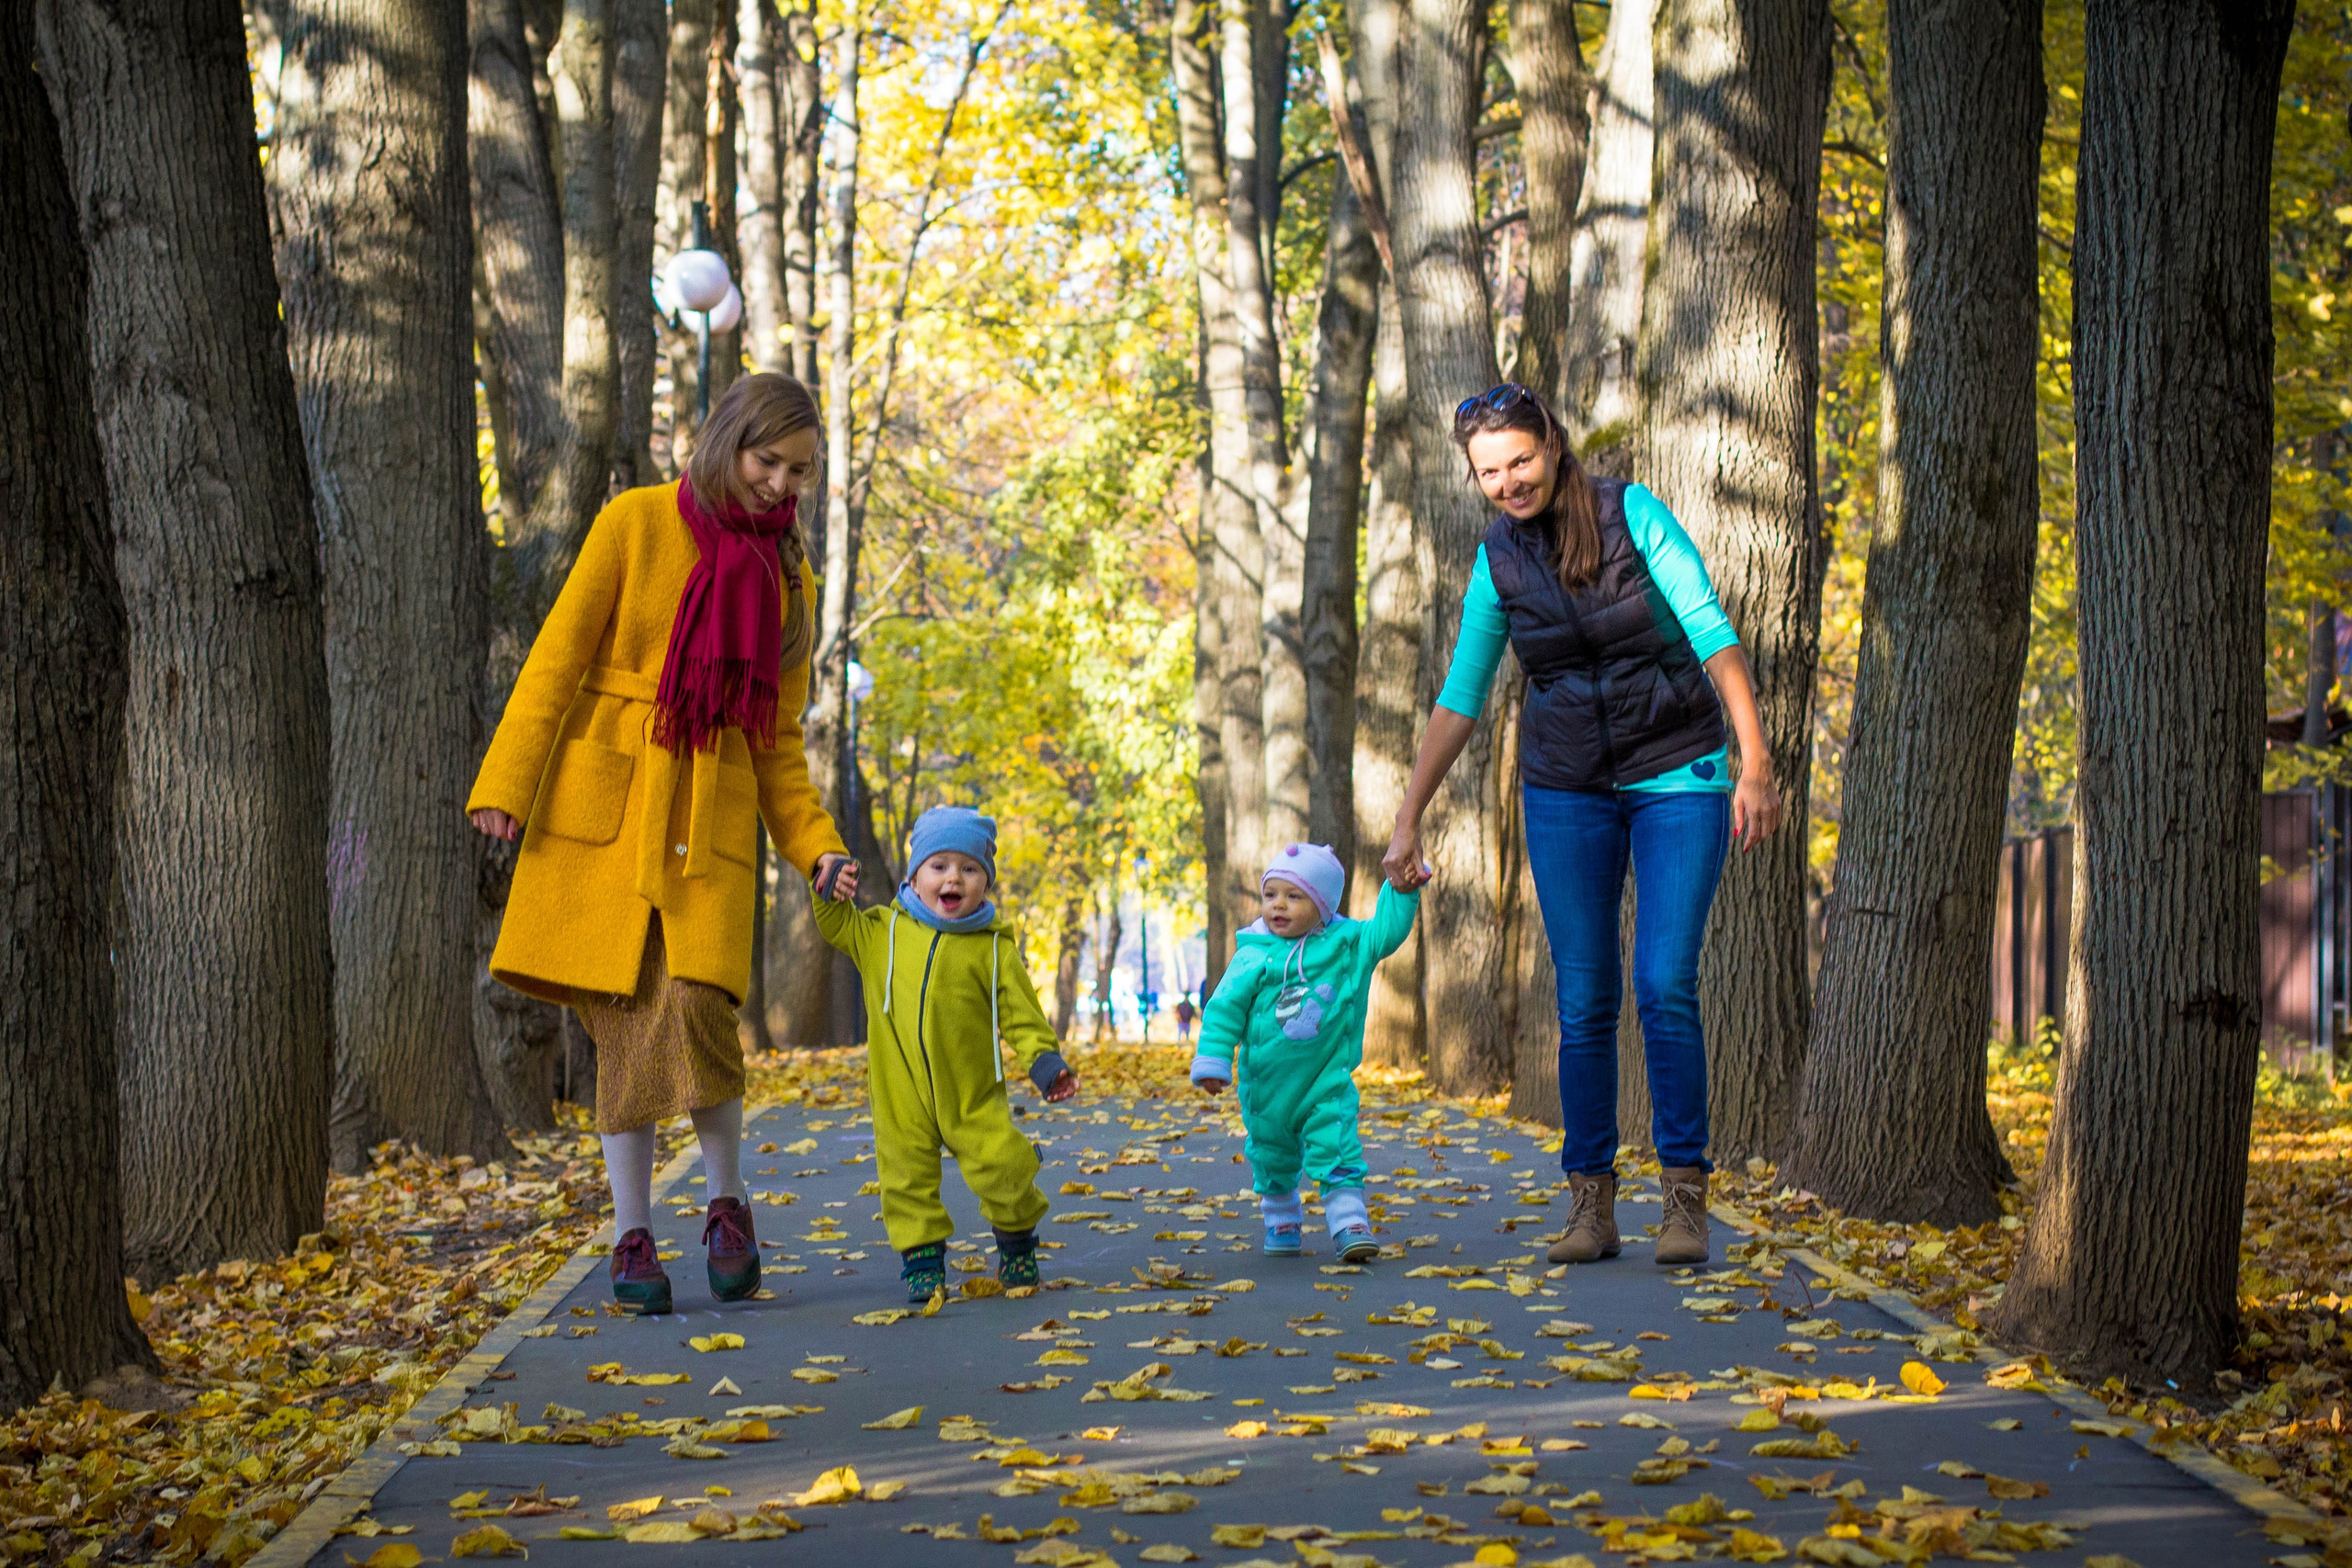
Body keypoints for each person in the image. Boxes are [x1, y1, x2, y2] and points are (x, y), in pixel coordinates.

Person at [467, 373, 854, 1316]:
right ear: (727, 439)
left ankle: (727, 1202)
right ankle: (631, 1235)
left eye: (798, 472)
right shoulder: (634, 522)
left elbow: (778, 744)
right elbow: (557, 655)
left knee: (697, 1009)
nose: (779, 485)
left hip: (706, 823)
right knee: (622, 1025)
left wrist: (816, 849)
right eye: (769, 461)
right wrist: (507, 783)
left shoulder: (787, 580)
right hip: (600, 817)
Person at [1382, 383, 1784, 1269]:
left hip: (1679, 769)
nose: (1508, 482)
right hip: (1566, 786)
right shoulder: (1497, 561)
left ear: (1554, 445)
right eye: (1489, 472)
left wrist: (1755, 761)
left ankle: (1684, 1200)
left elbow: (1714, 632)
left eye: (1519, 460)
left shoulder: (1630, 512)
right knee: (1584, 997)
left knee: (1666, 981)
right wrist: (1409, 815)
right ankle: (1590, 1206)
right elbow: (1462, 696)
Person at [813, 806, 1080, 1302]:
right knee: (906, 1177)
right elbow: (836, 925)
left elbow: (1021, 1015)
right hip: (901, 1091)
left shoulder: (992, 949)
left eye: (970, 868)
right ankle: (923, 1261)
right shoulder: (880, 933)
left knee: (1003, 1165)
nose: (953, 877)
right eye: (939, 866)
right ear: (915, 875)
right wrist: (827, 889)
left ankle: (1018, 1242)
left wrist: (1045, 1062)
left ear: (985, 883)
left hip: (972, 1090)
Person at [1190, 843, 1419, 1262]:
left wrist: (1401, 892)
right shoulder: (1253, 955)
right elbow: (1223, 1010)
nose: (1278, 905)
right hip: (1266, 1089)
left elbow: (1387, 931)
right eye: (1271, 895)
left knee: (1336, 1145)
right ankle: (1281, 1218)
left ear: (1324, 903)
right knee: (1271, 1155)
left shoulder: (1347, 945)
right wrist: (1214, 1061)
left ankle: (1350, 1223)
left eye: (1294, 896)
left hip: (1324, 1081)